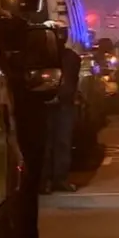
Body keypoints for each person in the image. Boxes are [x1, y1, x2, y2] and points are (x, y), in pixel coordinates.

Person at [0, 8, 50, 238]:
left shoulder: (11, 69)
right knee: (24, 187)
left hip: (14, 133)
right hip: (15, 133)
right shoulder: (15, 69)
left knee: (23, 186)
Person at [41, 21, 81, 194]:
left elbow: (69, 81)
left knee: (62, 143)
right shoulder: (39, 56)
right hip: (44, 106)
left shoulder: (70, 57)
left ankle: (60, 179)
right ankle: (45, 181)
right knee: (46, 144)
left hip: (63, 105)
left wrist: (58, 98)